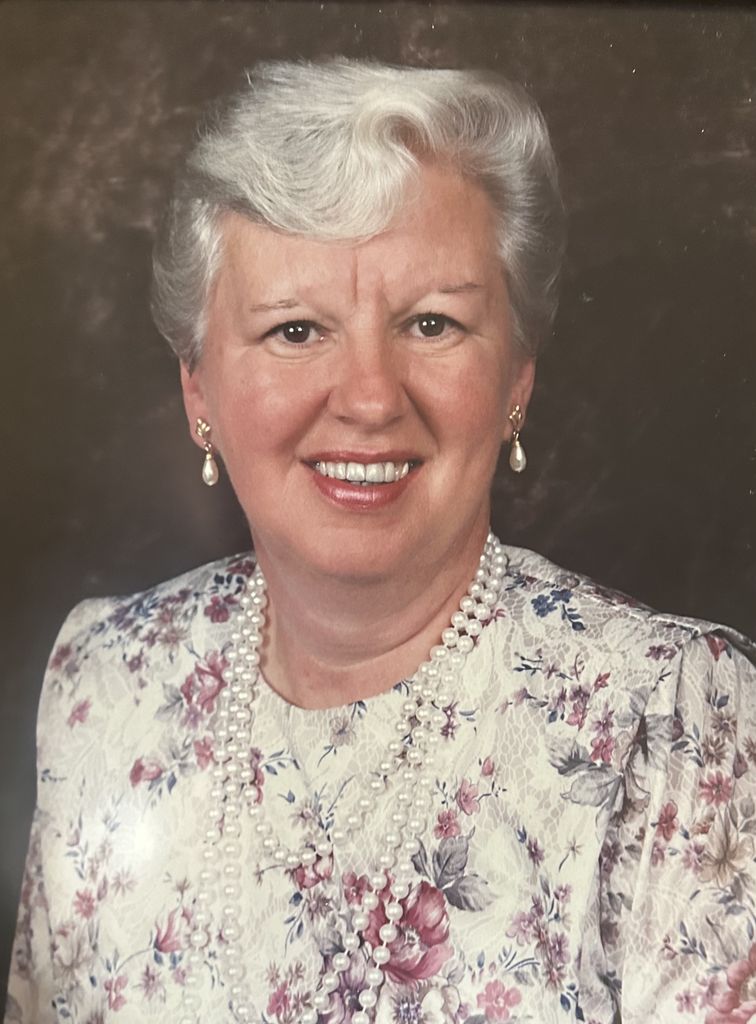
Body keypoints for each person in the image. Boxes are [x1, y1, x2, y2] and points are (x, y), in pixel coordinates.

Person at [5, 59, 756, 1024]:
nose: (368, 398)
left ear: (517, 376)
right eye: (295, 330)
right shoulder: (103, 680)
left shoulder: (672, 718)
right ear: (198, 389)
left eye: (432, 323)